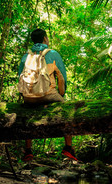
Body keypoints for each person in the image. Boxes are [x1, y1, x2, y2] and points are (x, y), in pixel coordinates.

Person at [18, 28, 77, 162]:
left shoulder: (25, 56)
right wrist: (61, 94)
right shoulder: (53, 54)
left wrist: (26, 96)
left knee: (28, 115)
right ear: (45, 38)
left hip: (28, 97)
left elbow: (19, 78)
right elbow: (62, 78)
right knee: (66, 111)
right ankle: (68, 148)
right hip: (48, 95)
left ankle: (28, 151)